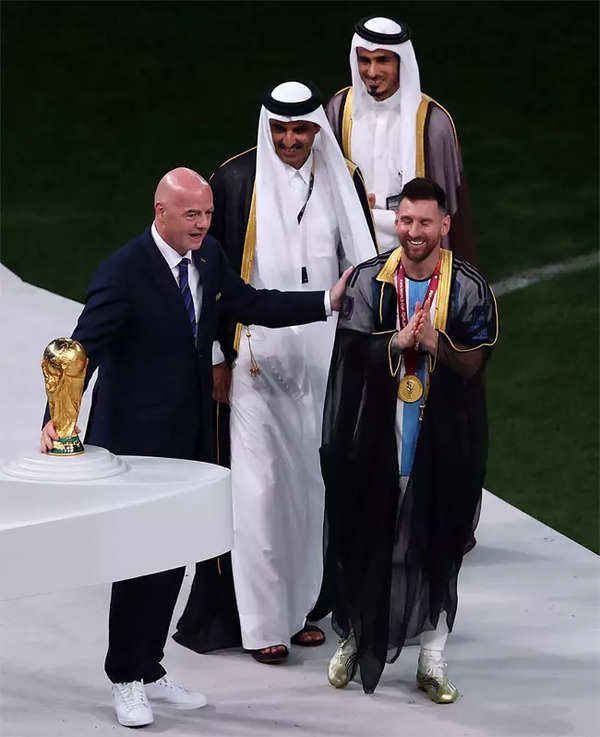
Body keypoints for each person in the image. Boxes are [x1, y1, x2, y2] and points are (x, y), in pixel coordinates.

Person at [40, 167, 353, 728]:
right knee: (136, 562)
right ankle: (125, 679)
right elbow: (80, 350)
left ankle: (151, 667)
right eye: (192, 215)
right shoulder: (123, 272)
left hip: (188, 439)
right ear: (160, 210)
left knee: (171, 557)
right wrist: (55, 421)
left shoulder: (207, 259)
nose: (204, 225)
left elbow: (251, 303)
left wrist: (326, 301)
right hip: (133, 448)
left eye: (207, 215)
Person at [174, 82, 378, 665]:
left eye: (301, 129)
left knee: (309, 492)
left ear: (317, 128)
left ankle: (299, 609)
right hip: (255, 356)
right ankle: (261, 621)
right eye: (280, 130)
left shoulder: (344, 179)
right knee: (258, 491)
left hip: (324, 359)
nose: (289, 141)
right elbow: (204, 276)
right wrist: (215, 356)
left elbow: (359, 268)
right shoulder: (236, 181)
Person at [322, 178, 497, 700]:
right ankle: (357, 635)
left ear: (445, 225)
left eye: (425, 222)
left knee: (437, 542)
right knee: (365, 535)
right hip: (376, 434)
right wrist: (394, 344)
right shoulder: (369, 281)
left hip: (442, 439)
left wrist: (434, 343)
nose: (414, 232)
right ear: (395, 222)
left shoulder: (469, 286)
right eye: (406, 221)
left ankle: (432, 659)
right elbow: (349, 357)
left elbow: (475, 363)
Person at [326, 15, 475, 261]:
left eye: (382, 60)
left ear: (400, 61)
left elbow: (447, 209)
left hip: (412, 244)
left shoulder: (432, 123)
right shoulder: (339, 110)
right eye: (365, 61)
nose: (372, 72)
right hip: (353, 241)